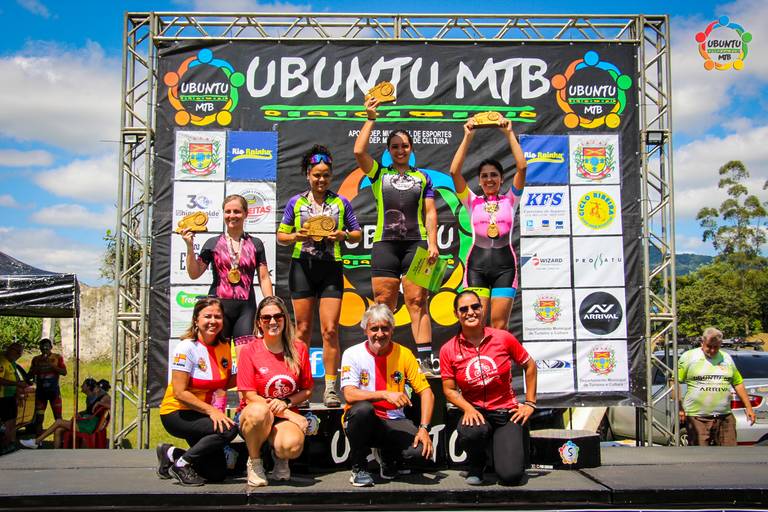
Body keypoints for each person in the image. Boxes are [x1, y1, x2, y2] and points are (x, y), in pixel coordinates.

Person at [353, 98, 439, 374]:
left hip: (417, 244)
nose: (400, 150)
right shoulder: (379, 174)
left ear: (411, 149)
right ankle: (380, 357)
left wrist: (433, 243)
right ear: (389, 151)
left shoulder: (423, 178)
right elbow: (358, 151)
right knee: (383, 305)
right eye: (395, 146)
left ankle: (425, 361)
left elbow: (430, 212)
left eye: (404, 146)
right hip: (385, 245)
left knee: (418, 302)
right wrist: (370, 119)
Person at [277, 145, 362, 408]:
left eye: (326, 175)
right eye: (316, 175)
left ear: (331, 175)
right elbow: (281, 236)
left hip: (331, 268)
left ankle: (330, 389)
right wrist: (296, 236)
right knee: (302, 329)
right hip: (302, 266)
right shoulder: (296, 202)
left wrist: (343, 235)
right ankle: (298, 386)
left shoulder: (341, 202)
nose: (321, 179)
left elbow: (357, 234)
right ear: (308, 175)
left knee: (330, 330)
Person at [439, 290, 537, 485]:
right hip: (476, 413)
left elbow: (530, 365)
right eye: (464, 309)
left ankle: (499, 451)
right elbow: (449, 390)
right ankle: (477, 463)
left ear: (482, 309)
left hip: (505, 413)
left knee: (510, 476)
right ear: (456, 314)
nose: (470, 312)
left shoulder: (503, 338)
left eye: (475, 307)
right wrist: (468, 409)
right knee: (472, 432)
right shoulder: (448, 349)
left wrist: (530, 403)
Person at [340, 304, 434, 487]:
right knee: (363, 410)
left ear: (392, 330)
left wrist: (424, 428)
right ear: (365, 330)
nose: (380, 334)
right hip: (365, 419)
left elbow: (427, 392)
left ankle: (388, 456)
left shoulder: (404, 353)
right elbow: (349, 394)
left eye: (385, 328)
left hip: (394, 419)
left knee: (420, 453)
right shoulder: (352, 354)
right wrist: (384, 395)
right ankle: (359, 468)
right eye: (374, 328)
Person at [449, 116, 527, 329]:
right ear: (479, 180)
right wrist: (468, 136)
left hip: (505, 268)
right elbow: (454, 172)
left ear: (502, 179)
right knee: (475, 324)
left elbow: (522, 168)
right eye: (484, 176)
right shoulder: (471, 201)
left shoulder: (511, 200)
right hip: (477, 267)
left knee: (499, 326)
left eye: (494, 175)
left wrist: (509, 134)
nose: (489, 179)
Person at [155, 297, 238, 486]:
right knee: (229, 429)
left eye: (218, 316)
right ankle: (181, 465)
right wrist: (212, 411)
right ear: (196, 320)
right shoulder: (186, 348)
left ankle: (171, 453)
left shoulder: (225, 346)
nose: (213, 321)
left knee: (216, 474)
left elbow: (225, 381)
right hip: (177, 413)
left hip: (202, 415)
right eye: (207, 316)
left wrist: (252, 369)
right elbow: (180, 393)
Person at [237, 296, 313, 488]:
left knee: (291, 447)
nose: (272, 321)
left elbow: (307, 390)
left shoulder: (299, 348)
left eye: (278, 316)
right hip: (256, 415)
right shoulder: (248, 350)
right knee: (259, 412)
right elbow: (249, 395)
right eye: (266, 318)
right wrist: (289, 413)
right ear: (258, 323)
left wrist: (286, 403)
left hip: (283, 415)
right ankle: (255, 462)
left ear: (285, 319)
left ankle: (279, 457)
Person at [182, 194, 273, 341]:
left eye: (237, 211)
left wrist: (270, 304)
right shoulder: (213, 243)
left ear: (246, 214)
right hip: (217, 308)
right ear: (223, 214)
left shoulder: (255, 244)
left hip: (246, 309)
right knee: (218, 352)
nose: (232, 216)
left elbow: (263, 278)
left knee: (245, 351)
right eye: (228, 212)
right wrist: (189, 247)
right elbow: (194, 273)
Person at [678, 327, 756, 446]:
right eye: (709, 346)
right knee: (699, 454)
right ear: (702, 342)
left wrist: (749, 408)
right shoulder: (689, 357)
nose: (712, 350)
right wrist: (679, 407)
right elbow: (674, 381)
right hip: (697, 418)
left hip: (724, 417)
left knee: (730, 453)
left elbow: (738, 383)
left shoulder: (726, 358)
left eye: (716, 347)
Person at [20, 377, 110, 449]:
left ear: (88, 387)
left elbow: (111, 406)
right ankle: (57, 453)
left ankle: (36, 441)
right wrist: (80, 413)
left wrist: (100, 403)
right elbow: (90, 411)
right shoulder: (90, 396)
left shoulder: (104, 397)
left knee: (59, 421)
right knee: (58, 429)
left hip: (89, 425)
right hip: (86, 422)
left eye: (83, 385)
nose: (81, 386)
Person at [27, 338, 67, 437]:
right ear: (40, 348)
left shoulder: (57, 357)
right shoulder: (36, 359)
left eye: (47, 347)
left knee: (58, 417)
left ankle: (60, 439)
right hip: (41, 393)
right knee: (39, 418)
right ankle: (38, 440)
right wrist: (35, 370)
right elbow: (29, 375)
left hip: (54, 392)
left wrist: (52, 366)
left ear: (51, 347)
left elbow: (64, 372)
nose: (45, 349)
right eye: (43, 347)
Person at [1, 343, 28, 454]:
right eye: (17, 353)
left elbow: (15, 377)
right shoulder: (2, 361)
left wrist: (18, 391)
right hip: (2, 397)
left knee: (12, 422)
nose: (18, 356)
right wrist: (16, 384)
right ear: (10, 349)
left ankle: (10, 444)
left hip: (10, 396)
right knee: (7, 423)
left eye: (20, 354)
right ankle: (5, 445)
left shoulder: (12, 362)